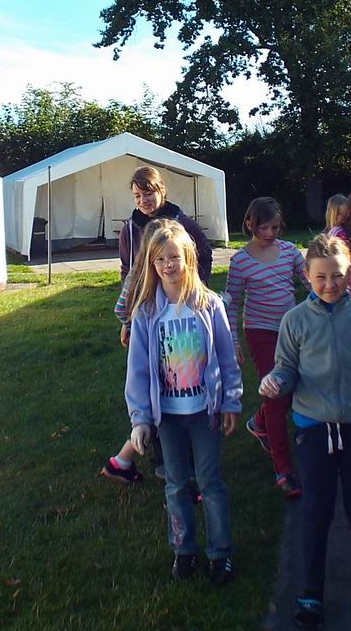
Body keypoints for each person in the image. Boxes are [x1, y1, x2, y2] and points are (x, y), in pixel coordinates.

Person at [260, 235, 351, 631]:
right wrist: (276, 381)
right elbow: (286, 368)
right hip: (313, 430)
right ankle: (310, 594)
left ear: (350, 274)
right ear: (306, 275)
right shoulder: (294, 321)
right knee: (316, 513)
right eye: (320, 277)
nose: (329, 284)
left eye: (337, 276)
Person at [125, 219, 243, 584]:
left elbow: (227, 359)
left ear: (188, 257)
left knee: (209, 482)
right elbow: (138, 372)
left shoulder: (209, 305)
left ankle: (220, 553)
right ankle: (184, 549)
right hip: (168, 418)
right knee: (175, 484)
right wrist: (141, 418)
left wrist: (231, 402)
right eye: (160, 259)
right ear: (152, 263)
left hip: (204, 413)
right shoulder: (146, 313)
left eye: (174, 257)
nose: (168, 265)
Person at [103, 165, 211, 483]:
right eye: (137, 196)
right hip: (146, 313)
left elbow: (204, 254)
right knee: (153, 382)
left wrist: (194, 289)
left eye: (148, 194)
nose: (143, 201)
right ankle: (163, 458)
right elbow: (127, 271)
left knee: (181, 378)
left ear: (161, 190)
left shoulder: (180, 222)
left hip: (179, 311)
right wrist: (128, 318)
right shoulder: (131, 228)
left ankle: (186, 455)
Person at [224, 197, 307, 498]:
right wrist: (234, 341)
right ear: (250, 224)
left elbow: (309, 281)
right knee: (275, 394)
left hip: (291, 331)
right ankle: (283, 469)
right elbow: (231, 304)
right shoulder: (240, 261)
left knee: (296, 387)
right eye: (264, 228)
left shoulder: (289, 251)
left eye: (275, 227)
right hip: (260, 332)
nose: (270, 233)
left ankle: (258, 422)